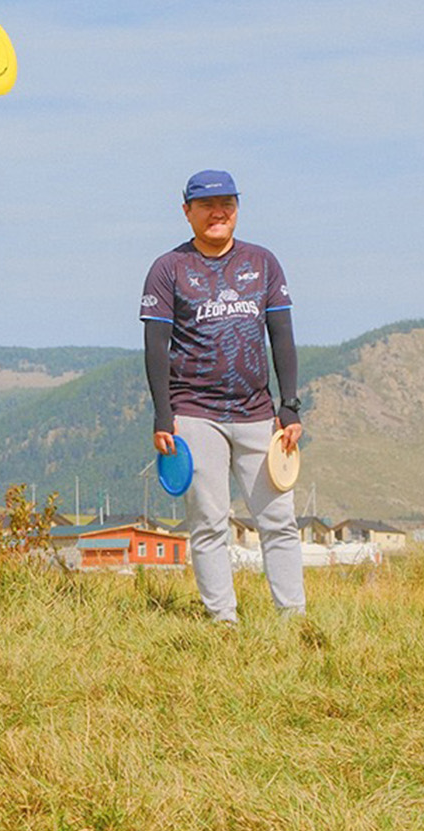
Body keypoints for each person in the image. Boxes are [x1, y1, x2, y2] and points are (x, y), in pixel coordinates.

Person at [140, 170, 305, 623]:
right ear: (187, 211)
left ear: (237, 207)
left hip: (257, 413)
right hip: (194, 413)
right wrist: (162, 415)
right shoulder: (168, 269)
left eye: (227, 203)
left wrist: (289, 406)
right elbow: (156, 346)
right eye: (207, 205)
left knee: (278, 520)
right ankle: (223, 621)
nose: (218, 213)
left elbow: (282, 335)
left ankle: (293, 618)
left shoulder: (264, 262)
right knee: (210, 522)